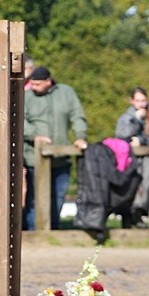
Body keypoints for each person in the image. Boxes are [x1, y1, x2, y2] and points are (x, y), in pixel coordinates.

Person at [23, 66, 88, 230]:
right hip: (34, 158)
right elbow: (19, 119)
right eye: (31, 84)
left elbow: (77, 115)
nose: (33, 87)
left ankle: (53, 229)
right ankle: (34, 230)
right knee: (35, 197)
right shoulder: (27, 96)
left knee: (58, 196)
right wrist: (34, 135)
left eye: (37, 84)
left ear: (48, 82)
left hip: (60, 157)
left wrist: (80, 137)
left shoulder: (66, 93)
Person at [113, 86, 149, 224]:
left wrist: (142, 140)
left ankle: (138, 210)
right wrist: (135, 120)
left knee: (145, 184)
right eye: (137, 100)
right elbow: (121, 135)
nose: (141, 104)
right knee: (130, 184)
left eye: (143, 100)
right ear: (131, 101)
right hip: (129, 158)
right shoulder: (126, 118)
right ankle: (127, 213)